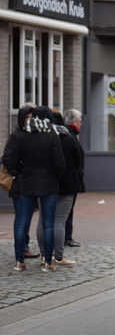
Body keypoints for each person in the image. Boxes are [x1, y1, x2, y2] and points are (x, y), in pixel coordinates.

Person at [11, 106, 65, 272]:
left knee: (22, 223)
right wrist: (55, 175)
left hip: (28, 183)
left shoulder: (22, 137)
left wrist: (24, 172)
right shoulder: (52, 137)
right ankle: (48, 262)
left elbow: (12, 161)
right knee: (48, 224)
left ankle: (19, 261)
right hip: (48, 184)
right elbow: (60, 163)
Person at [35, 110, 84, 266]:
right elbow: (78, 161)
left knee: (43, 220)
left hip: (45, 184)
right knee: (59, 222)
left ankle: (44, 254)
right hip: (66, 185)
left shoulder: (41, 139)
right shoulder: (69, 140)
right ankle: (58, 255)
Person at [2, 103, 39, 259]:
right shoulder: (17, 135)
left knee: (25, 217)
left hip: (29, 182)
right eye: (28, 117)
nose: (30, 120)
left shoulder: (32, 134)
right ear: (22, 118)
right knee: (22, 218)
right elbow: (8, 159)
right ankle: (22, 249)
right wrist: (19, 173)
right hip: (20, 183)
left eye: (32, 117)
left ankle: (24, 247)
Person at [63, 109, 84, 247]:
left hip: (70, 179)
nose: (81, 124)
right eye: (80, 121)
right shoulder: (69, 137)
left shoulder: (70, 135)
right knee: (66, 210)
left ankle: (67, 236)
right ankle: (67, 237)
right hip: (69, 180)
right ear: (74, 122)